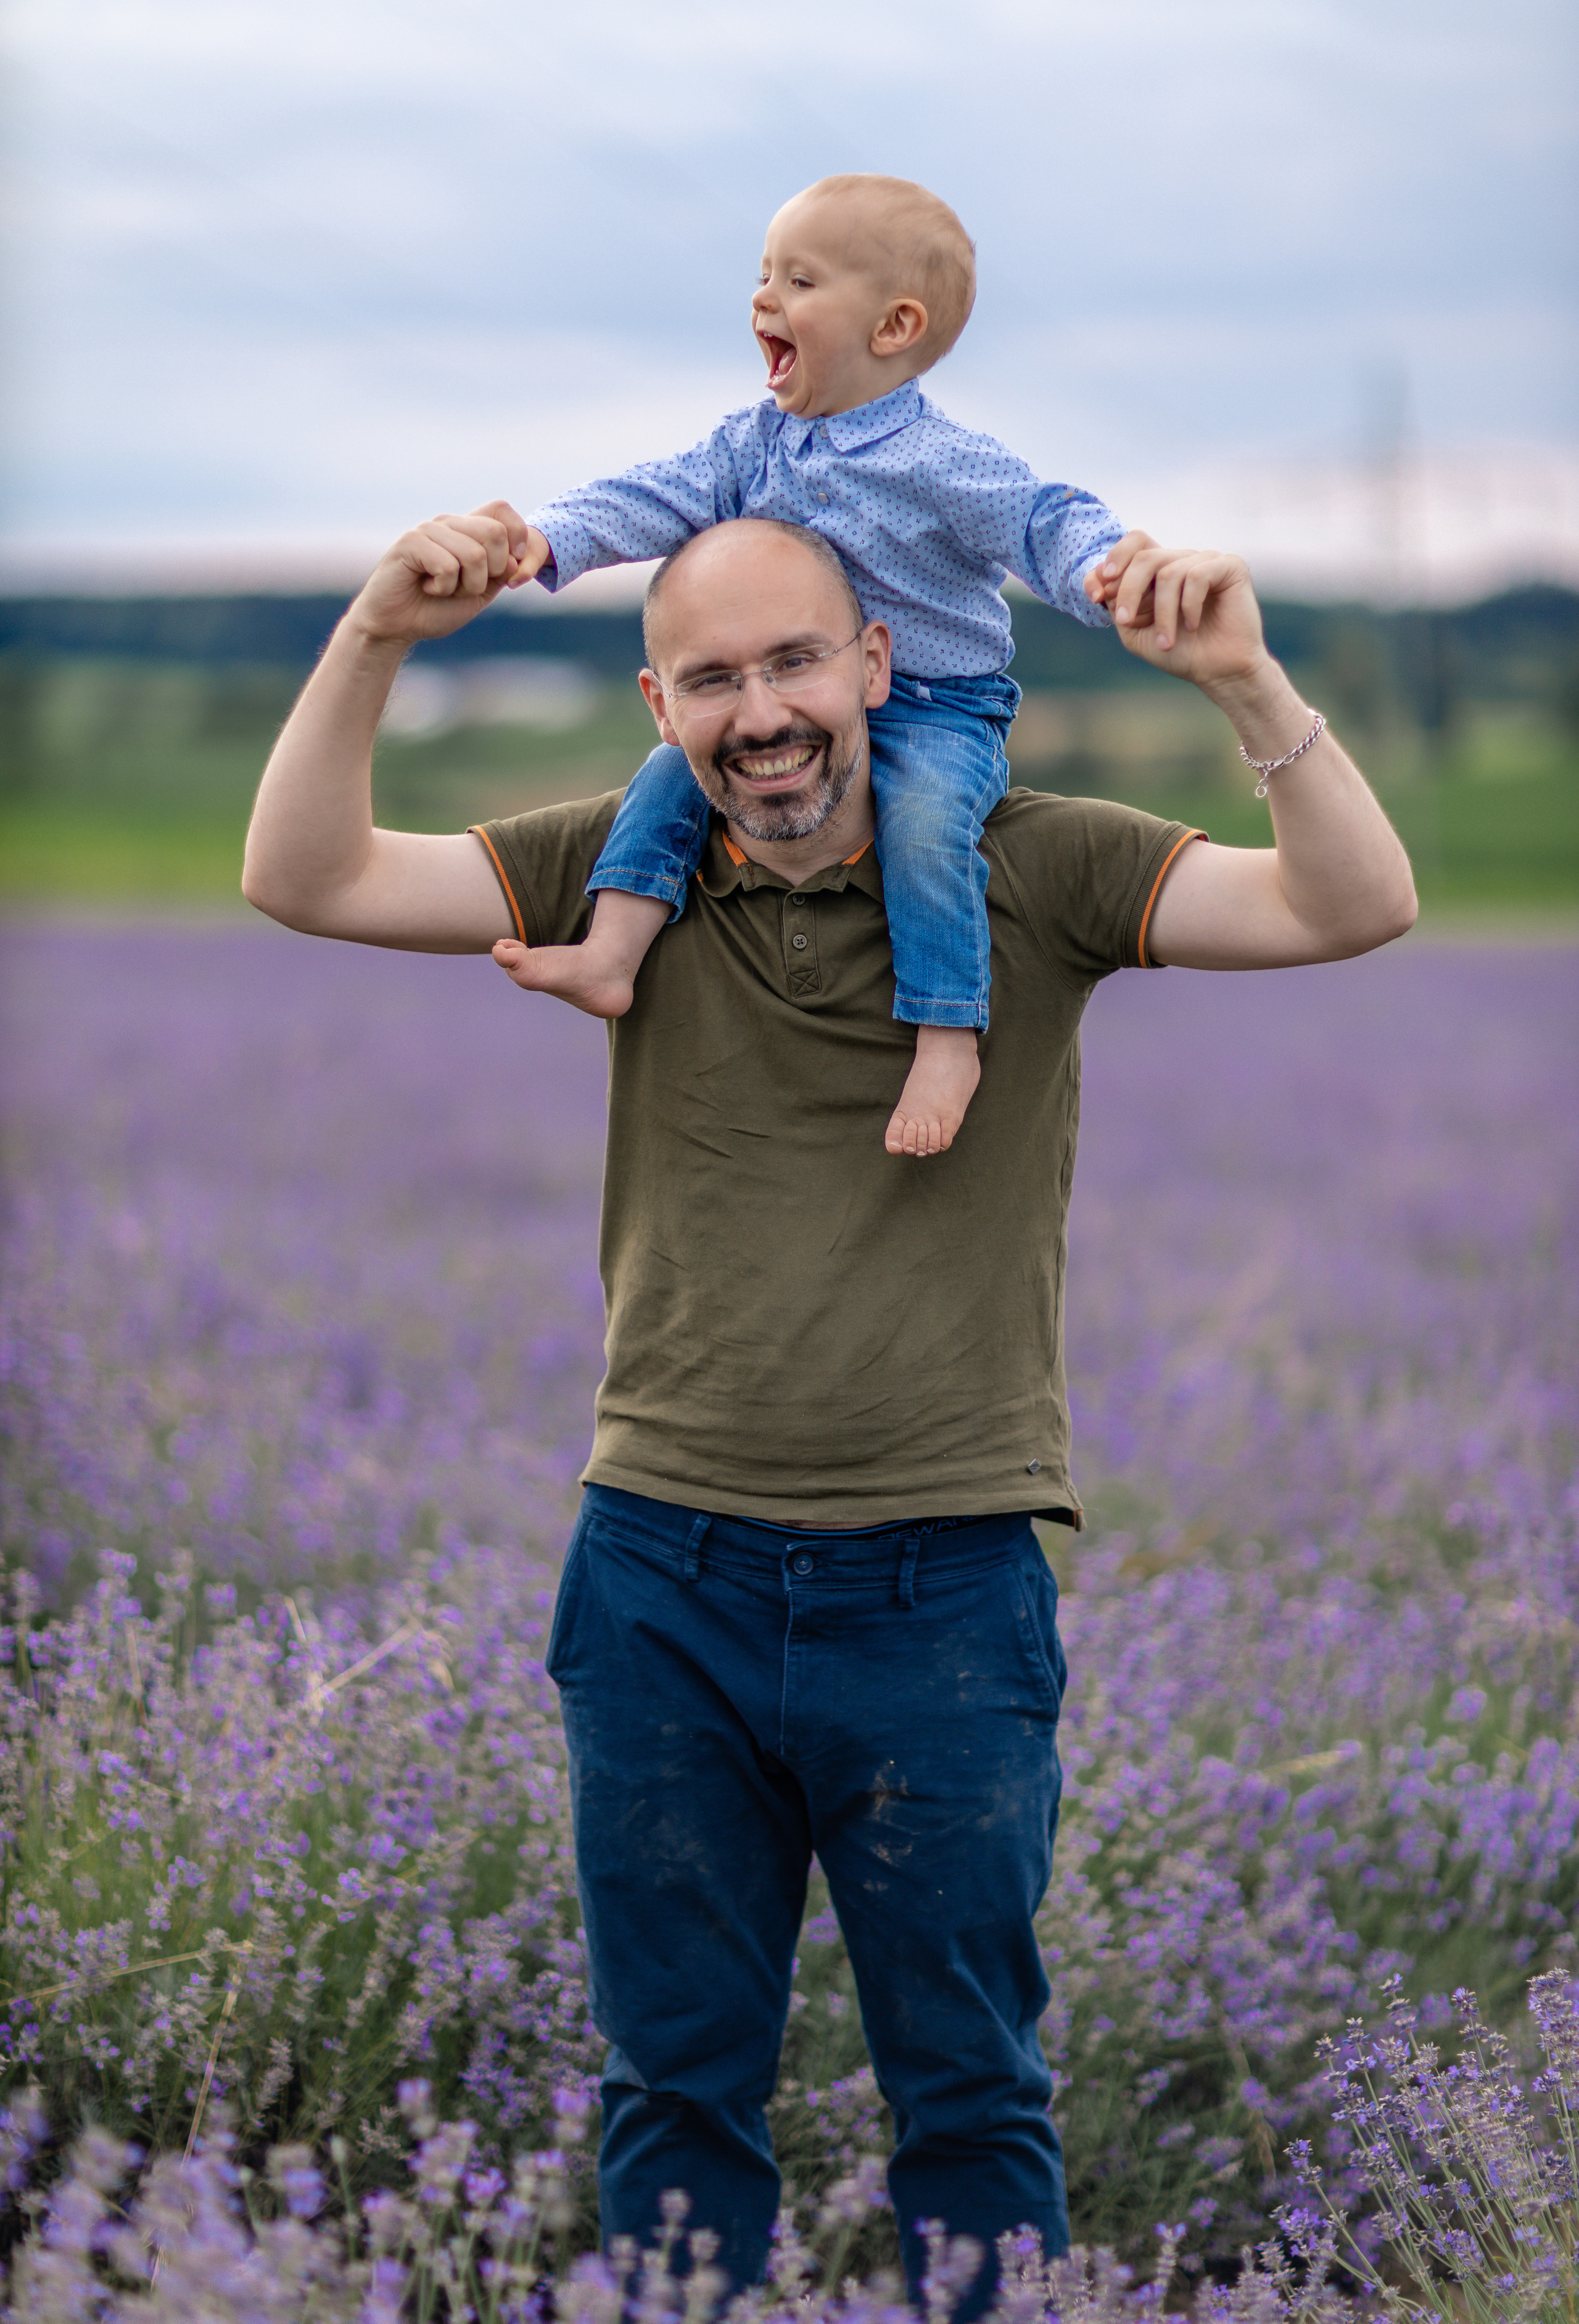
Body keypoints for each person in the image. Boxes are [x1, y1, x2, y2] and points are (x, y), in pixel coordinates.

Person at [242, 508, 1416, 2317]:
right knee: (672, 2092)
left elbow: (1355, 905)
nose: (760, 712)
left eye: (795, 661)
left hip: (940, 1589)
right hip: (659, 1583)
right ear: (660, 704)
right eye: (711, 679)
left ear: (877, 664)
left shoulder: (1036, 869)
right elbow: (304, 880)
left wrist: (1247, 681)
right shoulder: (628, 871)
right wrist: (376, 634)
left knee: (970, 2093)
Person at [495, 173, 1129, 1160]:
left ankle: (947, 1031)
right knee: (668, 776)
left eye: (797, 281)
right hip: (805, 701)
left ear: (893, 326)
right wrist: (547, 540)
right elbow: (651, 496)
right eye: (761, 277)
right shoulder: (751, 447)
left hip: (937, 707)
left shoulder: (939, 458)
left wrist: (1105, 572)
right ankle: (613, 955)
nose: (762, 301)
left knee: (924, 827)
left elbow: (1044, 518)